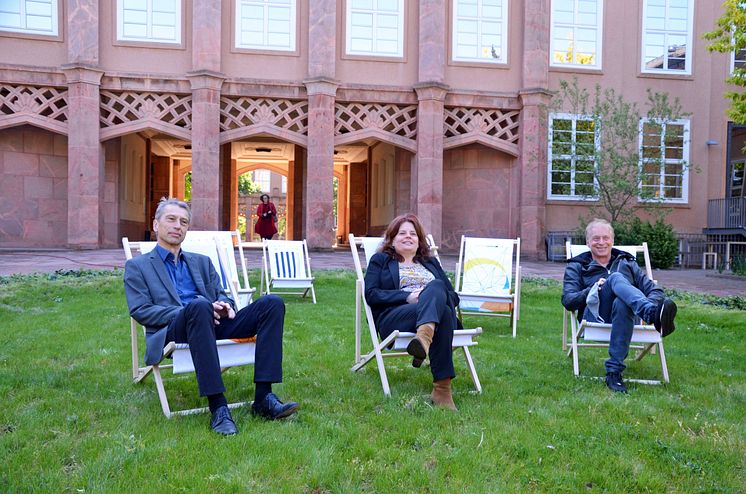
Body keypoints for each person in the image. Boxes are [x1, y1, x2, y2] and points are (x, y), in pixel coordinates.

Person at [124, 198, 298, 435]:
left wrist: (225, 306)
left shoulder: (201, 262)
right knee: (198, 306)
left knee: (272, 304)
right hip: (174, 329)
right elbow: (140, 310)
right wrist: (191, 309)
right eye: (171, 219)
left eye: (183, 222)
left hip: (212, 323)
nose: (178, 226)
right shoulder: (138, 266)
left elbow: (222, 295)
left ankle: (263, 398)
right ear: (155, 225)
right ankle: (218, 407)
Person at [561, 218, 678, 393]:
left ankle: (614, 372)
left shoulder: (627, 262)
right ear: (587, 242)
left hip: (626, 315)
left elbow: (655, 291)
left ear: (612, 240)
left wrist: (650, 301)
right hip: (596, 316)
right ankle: (652, 315)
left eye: (605, 238)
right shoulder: (578, 265)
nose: (601, 242)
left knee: (622, 302)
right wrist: (592, 289)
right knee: (615, 278)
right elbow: (568, 300)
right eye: (596, 238)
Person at [364, 213, 461, 410]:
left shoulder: (431, 263)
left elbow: (454, 297)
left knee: (436, 287)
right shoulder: (380, 260)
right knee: (440, 307)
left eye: (413, 234)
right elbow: (371, 294)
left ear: (419, 241)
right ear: (392, 239)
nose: (408, 236)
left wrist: (428, 295)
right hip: (397, 315)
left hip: (432, 312)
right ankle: (442, 389)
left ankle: (424, 337)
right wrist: (405, 297)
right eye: (402, 233)